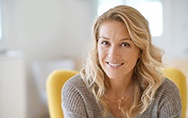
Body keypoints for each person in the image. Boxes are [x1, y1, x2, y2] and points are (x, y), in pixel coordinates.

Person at [62, 5, 182, 118]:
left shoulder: (164, 92)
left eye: (125, 44)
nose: (112, 54)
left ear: (141, 50)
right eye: (105, 43)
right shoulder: (76, 90)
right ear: (97, 46)